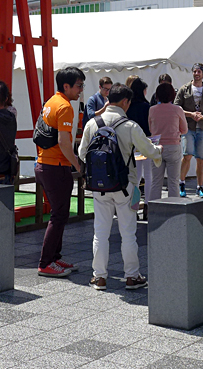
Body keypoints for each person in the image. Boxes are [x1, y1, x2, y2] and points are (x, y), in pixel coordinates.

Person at [79, 83, 162, 291]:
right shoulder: (130, 126)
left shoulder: (92, 123)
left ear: (108, 99)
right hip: (128, 187)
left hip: (99, 188)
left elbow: (82, 153)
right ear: (125, 102)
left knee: (100, 232)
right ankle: (132, 277)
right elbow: (149, 150)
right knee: (128, 233)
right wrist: (159, 152)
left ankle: (99, 277)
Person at [35, 66, 85, 278]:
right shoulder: (65, 107)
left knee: (60, 215)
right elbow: (64, 142)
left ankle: (55, 258)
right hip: (55, 166)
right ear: (66, 86)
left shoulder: (50, 102)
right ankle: (46, 262)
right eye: (78, 86)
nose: (81, 90)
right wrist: (77, 164)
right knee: (58, 215)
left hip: (44, 164)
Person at [174, 63, 203, 198]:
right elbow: (176, 108)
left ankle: (200, 186)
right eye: (195, 71)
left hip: (201, 128)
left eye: (199, 72)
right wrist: (191, 114)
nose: (196, 74)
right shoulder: (184, 89)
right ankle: (181, 183)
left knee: (201, 158)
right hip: (188, 127)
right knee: (187, 155)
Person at [146, 81, 188, 201]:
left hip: (156, 147)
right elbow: (184, 130)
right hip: (173, 146)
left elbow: (150, 128)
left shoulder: (152, 110)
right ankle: (174, 213)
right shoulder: (177, 109)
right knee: (173, 182)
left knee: (156, 182)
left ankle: (153, 212)